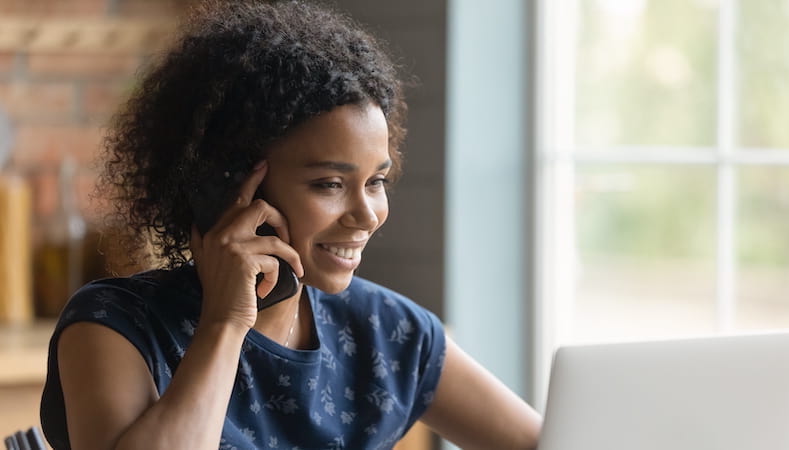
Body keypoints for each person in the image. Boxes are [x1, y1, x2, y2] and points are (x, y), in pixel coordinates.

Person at [39, 1, 542, 449]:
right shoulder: (113, 326)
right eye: (328, 184)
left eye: (375, 182)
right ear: (230, 186)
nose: (366, 215)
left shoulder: (388, 332)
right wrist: (225, 325)